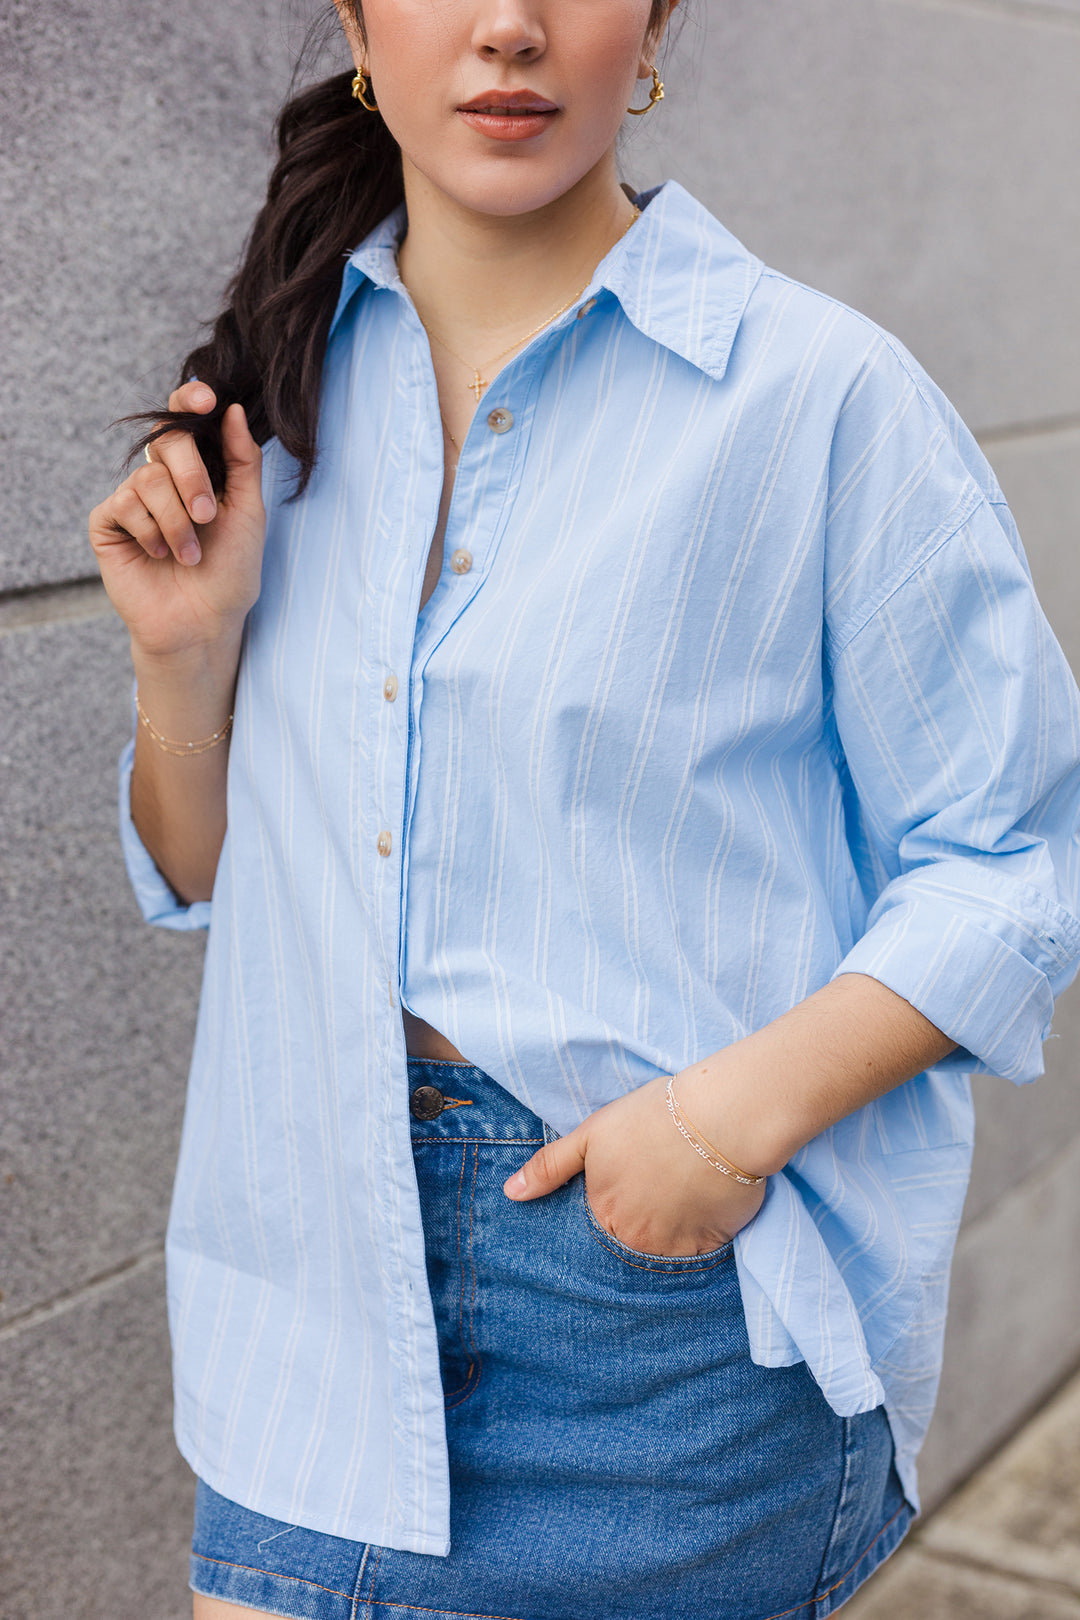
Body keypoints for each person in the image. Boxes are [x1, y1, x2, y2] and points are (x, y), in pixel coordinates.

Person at [88, 2, 1080, 1617]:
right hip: (304, 1297)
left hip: (657, 1336)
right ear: (351, 19)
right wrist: (185, 665)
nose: (508, 26)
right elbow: (216, 875)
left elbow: (1012, 859)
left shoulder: (818, 397)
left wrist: (716, 1128)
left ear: (661, 19)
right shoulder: (280, 404)